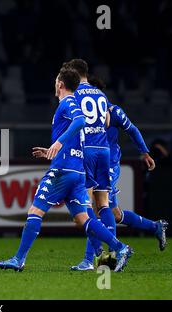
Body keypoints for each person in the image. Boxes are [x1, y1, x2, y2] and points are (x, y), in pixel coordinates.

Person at [0, 68, 133, 273]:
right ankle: (120, 247)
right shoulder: (72, 104)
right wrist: (52, 150)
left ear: (60, 84)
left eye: (56, 80)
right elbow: (78, 130)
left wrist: (58, 145)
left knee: (35, 211)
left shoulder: (67, 102)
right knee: (83, 218)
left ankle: (18, 259)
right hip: (77, 171)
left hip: (63, 169)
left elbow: (80, 122)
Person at [71, 77, 168, 270]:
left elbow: (132, 130)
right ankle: (155, 226)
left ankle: (99, 259)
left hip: (108, 164)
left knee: (96, 208)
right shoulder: (83, 112)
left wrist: (145, 152)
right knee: (113, 214)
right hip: (95, 160)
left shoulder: (113, 112)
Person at [62, 59, 118, 271]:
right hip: (104, 150)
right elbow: (105, 122)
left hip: (86, 152)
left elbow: (74, 124)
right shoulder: (101, 94)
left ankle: (92, 257)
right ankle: (111, 260)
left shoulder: (74, 95)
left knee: (84, 208)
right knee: (104, 205)